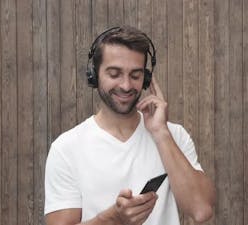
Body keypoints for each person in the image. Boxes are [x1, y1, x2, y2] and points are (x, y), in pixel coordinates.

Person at [44, 25, 215, 225]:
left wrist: (160, 133)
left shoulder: (173, 136)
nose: (126, 86)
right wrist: (113, 219)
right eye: (115, 74)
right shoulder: (66, 148)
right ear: (94, 76)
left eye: (135, 75)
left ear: (146, 78)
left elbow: (201, 211)